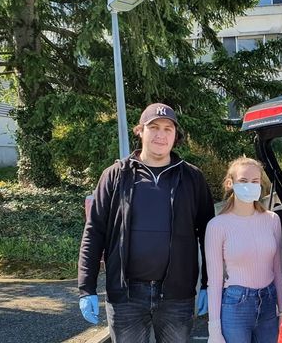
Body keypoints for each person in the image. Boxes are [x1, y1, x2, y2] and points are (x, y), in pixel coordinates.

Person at [78, 103, 215, 342]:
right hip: (126, 296)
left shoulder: (192, 177)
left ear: (175, 135)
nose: (161, 135)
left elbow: (208, 233)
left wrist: (208, 283)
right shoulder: (115, 175)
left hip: (177, 295)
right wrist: (86, 288)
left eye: (168, 129)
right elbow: (94, 231)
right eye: (154, 127)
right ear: (140, 131)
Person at [205, 156, 282, 343]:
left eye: (255, 181)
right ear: (230, 183)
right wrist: (214, 329)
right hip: (235, 305)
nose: (250, 185)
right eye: (243, 180)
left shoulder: (272, 220)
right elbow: (215, 281)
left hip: (268, 302)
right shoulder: (217, 225)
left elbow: (278, 270)